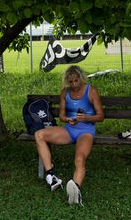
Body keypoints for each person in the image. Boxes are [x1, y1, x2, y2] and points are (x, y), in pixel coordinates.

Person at [34, 65, 104, 205]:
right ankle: (51, 176)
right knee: (39, 135)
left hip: (86, 131)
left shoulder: (91, 91)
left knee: (79, 159)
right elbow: (61, 116)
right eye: (70, 82)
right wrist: (67, 119)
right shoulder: (64, 92)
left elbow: (101, 116)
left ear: (81, 78)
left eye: (76, 81)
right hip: (69, 129)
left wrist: (86, 118)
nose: (74, 85)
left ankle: (75, 191)